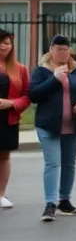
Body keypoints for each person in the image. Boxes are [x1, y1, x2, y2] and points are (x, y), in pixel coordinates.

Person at [28, 35, 76, 222]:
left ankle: (65, 200)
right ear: (51, 50)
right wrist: (54, 79)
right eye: (58, 49)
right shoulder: (42, 70)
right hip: (49, 126)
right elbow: (34, 94)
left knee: (69, 163)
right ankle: (50, 204)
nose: (62, 53)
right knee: (53, 163)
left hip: (73, 125)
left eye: (65, 50)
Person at [0, 28, 31, 209]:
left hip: (8, 120)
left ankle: (1, 195)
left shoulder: (20, 69)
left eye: (8, 42)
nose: (4, 45)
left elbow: (27, 96)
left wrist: (12, 104)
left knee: (4, 156)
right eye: (1, 41)